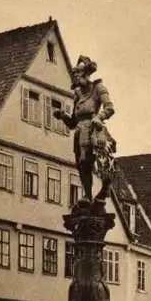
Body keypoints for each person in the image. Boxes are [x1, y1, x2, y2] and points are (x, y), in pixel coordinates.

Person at [53, 55, 116, 204]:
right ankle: (87, 195)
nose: (76, 80)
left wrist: (99, 117)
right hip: (79, 132)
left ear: (86, 74)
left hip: (94, 130)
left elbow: (110, 108)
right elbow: (73, 123)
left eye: (78, 76)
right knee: (81, 165)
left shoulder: (98, 88)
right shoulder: (78, 95)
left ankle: (104, 188)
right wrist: (63, 116)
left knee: (98, 162)